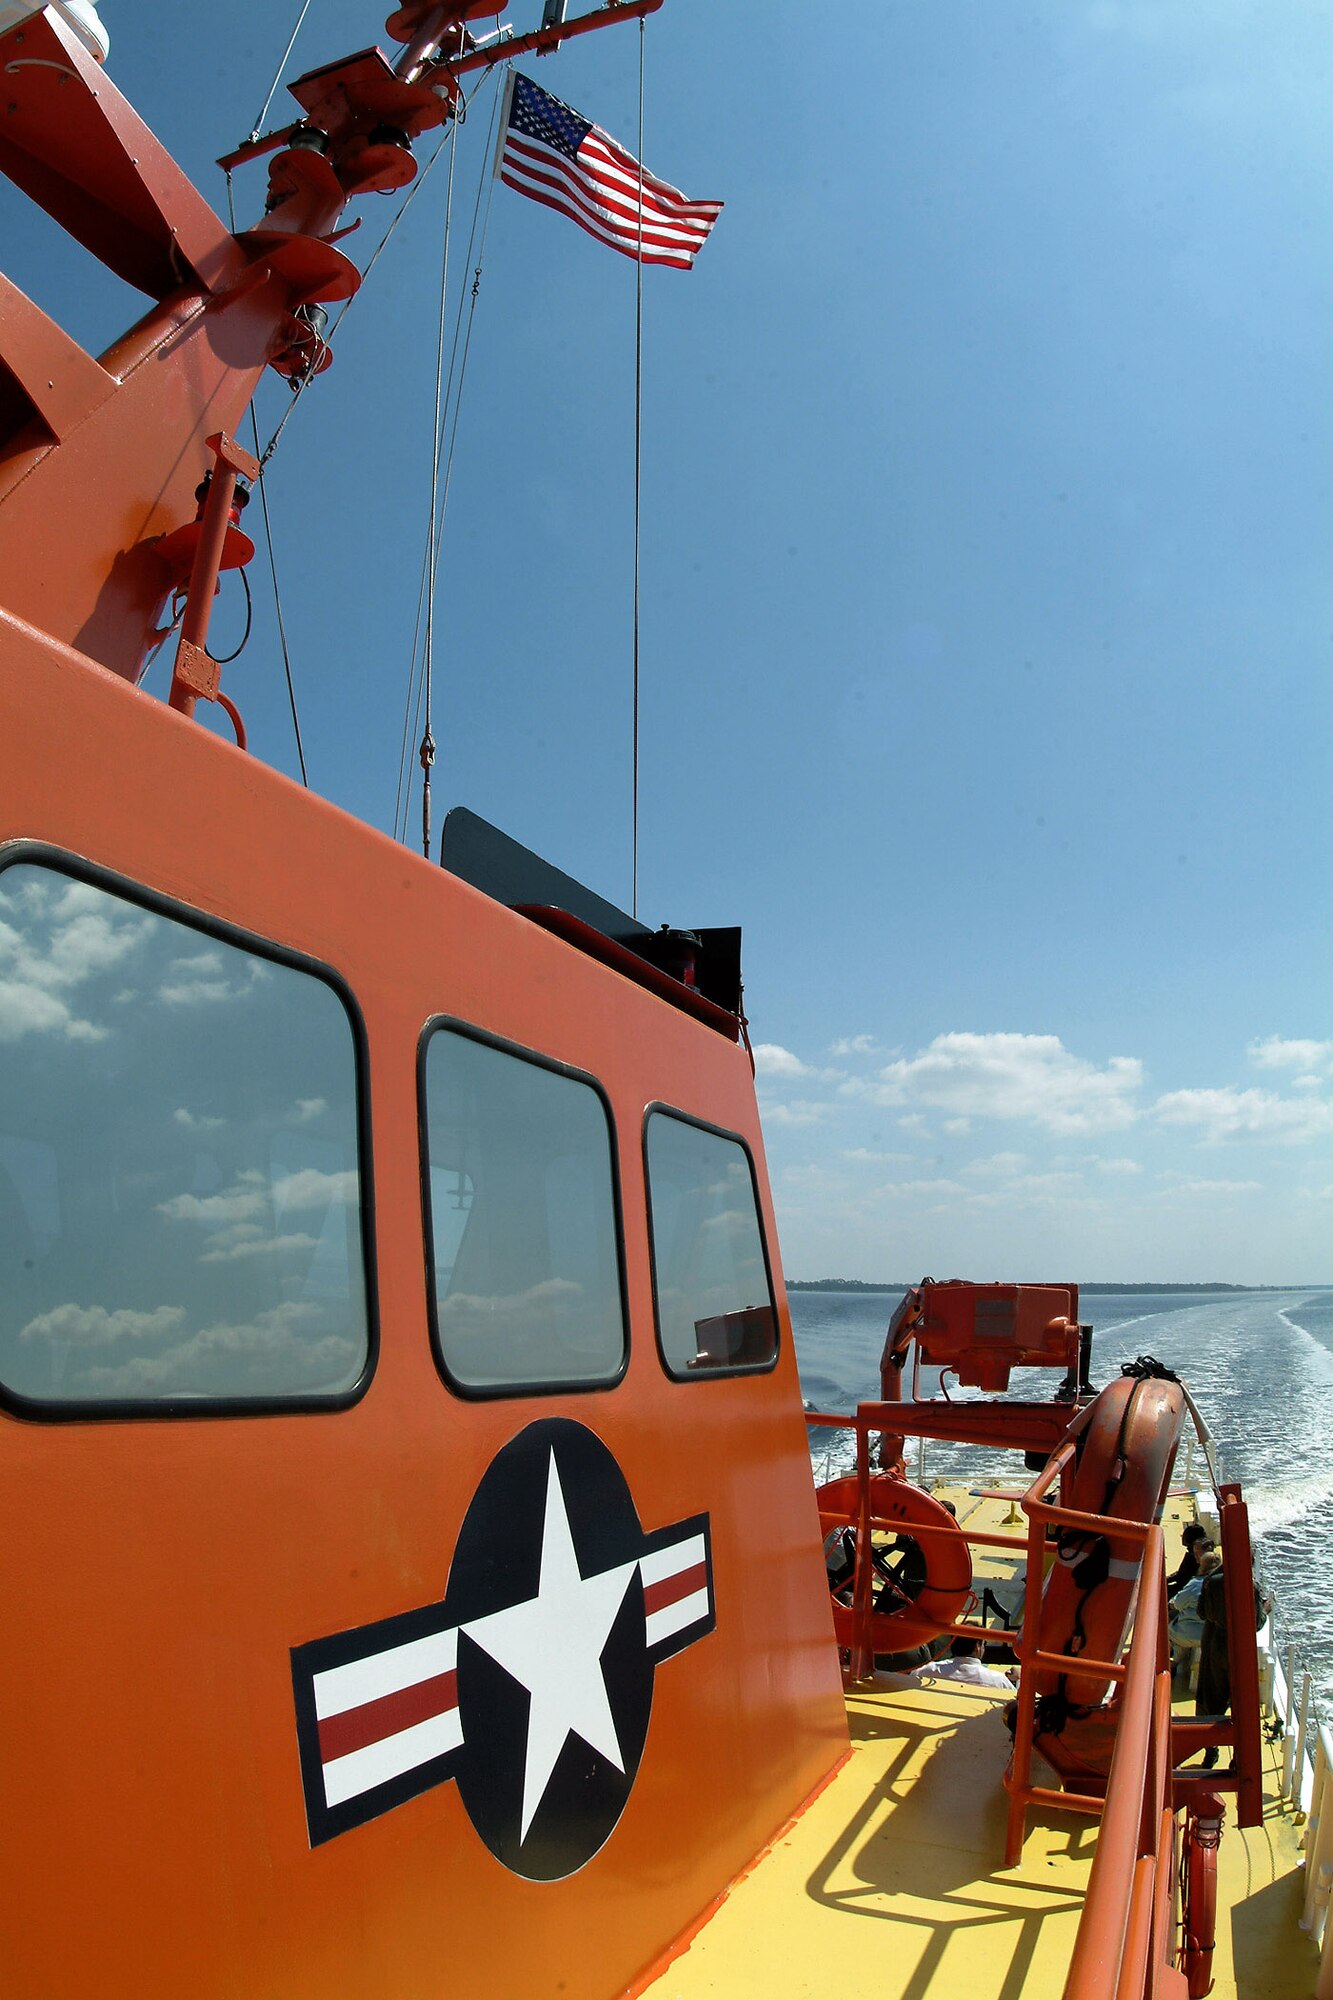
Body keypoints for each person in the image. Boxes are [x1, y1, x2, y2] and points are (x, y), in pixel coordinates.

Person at [1195, 1547, 1266, 1768]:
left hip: (1214, 1644)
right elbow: (1256, 1623)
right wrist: (1264, 1610)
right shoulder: (1251, 1587)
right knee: (1240, 1704)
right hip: (1238, 1650)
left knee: (1211, 1700)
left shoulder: (1211, 1581)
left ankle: (1210, 1751)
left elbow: (1201, 1612)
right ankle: (1237, 1759)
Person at [1168, 1546, 1215, 1679]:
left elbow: (1177, 1604)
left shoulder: (1195, 1583)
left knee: (1172, 1625)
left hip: (1186, 1634)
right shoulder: (1221, 1584)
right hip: (1210, 1636)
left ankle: (1173, 1663)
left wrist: (1172, 1604)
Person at [911, 1637, 1015, 1691]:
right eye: (984, 1644)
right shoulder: (999, 1680)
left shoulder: (926, 1671)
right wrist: (1018, 1680)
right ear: (977, 1647)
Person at [1167, 1521, 1210, 1594]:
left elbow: (1182, 1576)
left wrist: (1165, 1580)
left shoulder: (1193, 1557)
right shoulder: (1197, 1553)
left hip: (1187, 1589)